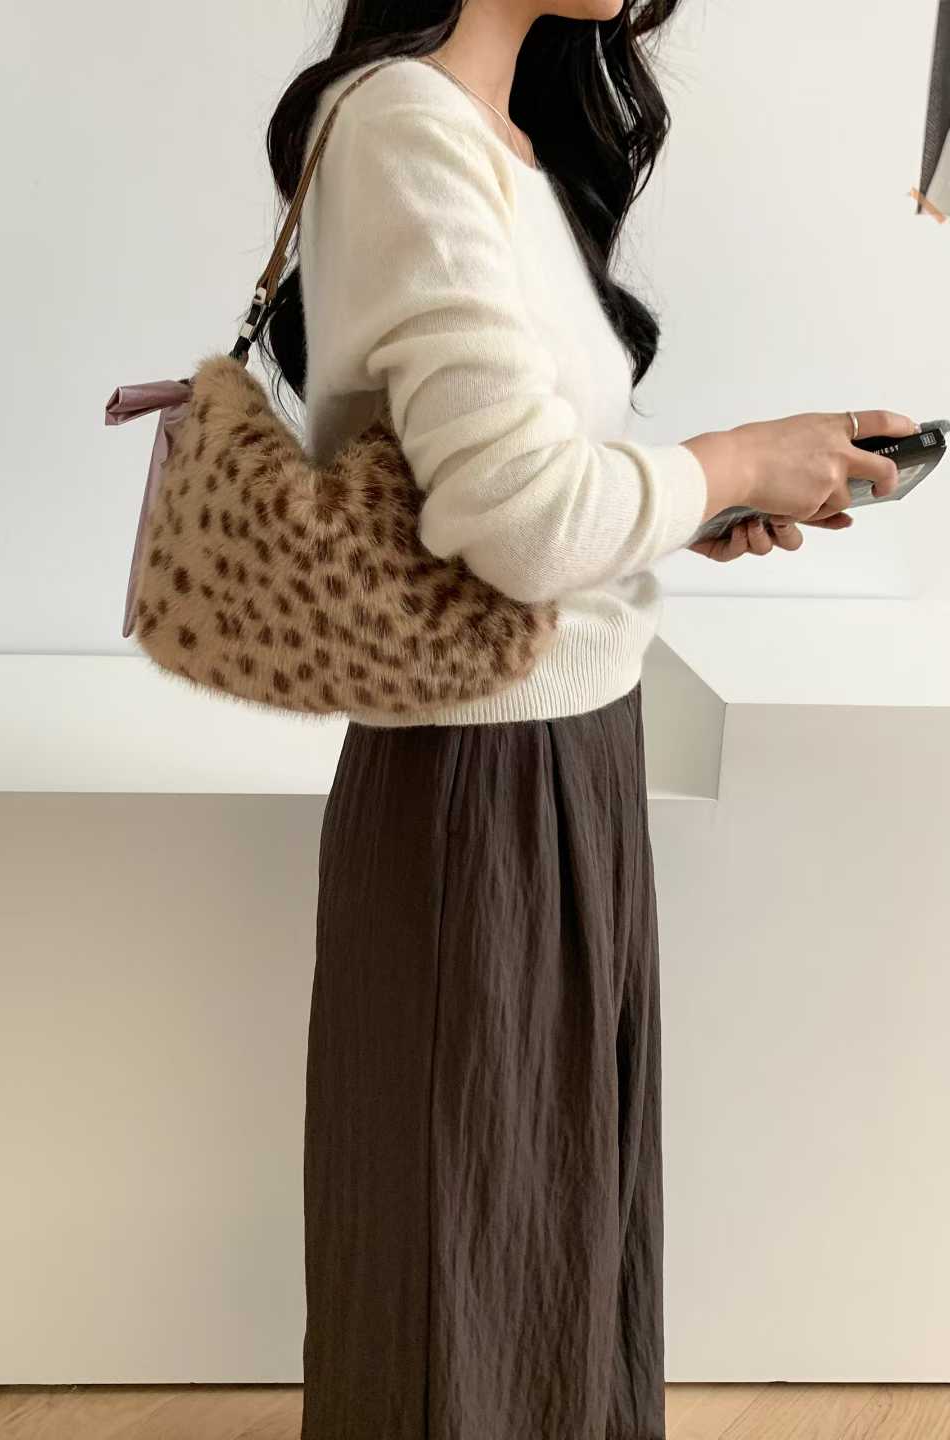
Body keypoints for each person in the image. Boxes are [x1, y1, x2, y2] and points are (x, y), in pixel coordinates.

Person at [257, 3, 917, 1436]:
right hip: (480, 780)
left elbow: (525, 490)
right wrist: (730, 460)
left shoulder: (499, 136)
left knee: (545, 1243)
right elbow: (521, 519)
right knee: (471, 1260)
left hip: (565, 752)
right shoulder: (404, 128)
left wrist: (696, 508)